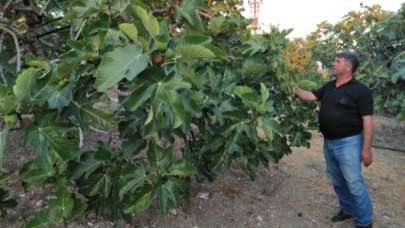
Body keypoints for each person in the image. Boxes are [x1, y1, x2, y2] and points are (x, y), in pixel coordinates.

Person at [293, 52, 374, 228]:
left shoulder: (361, 91)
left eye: (337, 61)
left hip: (349, 143)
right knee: (337, 180)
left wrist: (366, 149)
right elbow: (310, 96)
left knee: (353, 183)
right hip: (329, 142)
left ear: (348, 67)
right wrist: (294, 88)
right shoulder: (329, 86)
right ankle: (347, 210)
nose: (333, 64)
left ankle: (365, 222)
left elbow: (367, 121)